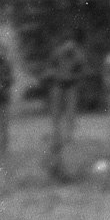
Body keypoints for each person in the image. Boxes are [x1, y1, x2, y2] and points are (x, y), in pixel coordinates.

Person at [45, 31, 87, 179]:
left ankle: (69, 136)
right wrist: (55, 74)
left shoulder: (78, 56)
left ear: (74, 44)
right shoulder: (57, 53)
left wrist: (72, 77)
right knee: (56, 113)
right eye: (67, 43)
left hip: (71, 87)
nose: (69, 46)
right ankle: (56, 136)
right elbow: (49, 68)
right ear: (64, 43)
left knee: (71, 112)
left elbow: (82, 72)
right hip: (57, 85)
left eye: (71, 43)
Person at [0, 39, 14, 165]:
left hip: (3, 98)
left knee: (4, 125)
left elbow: (11, 79)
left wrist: (3, 83)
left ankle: (4, 149)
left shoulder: (6, 65)